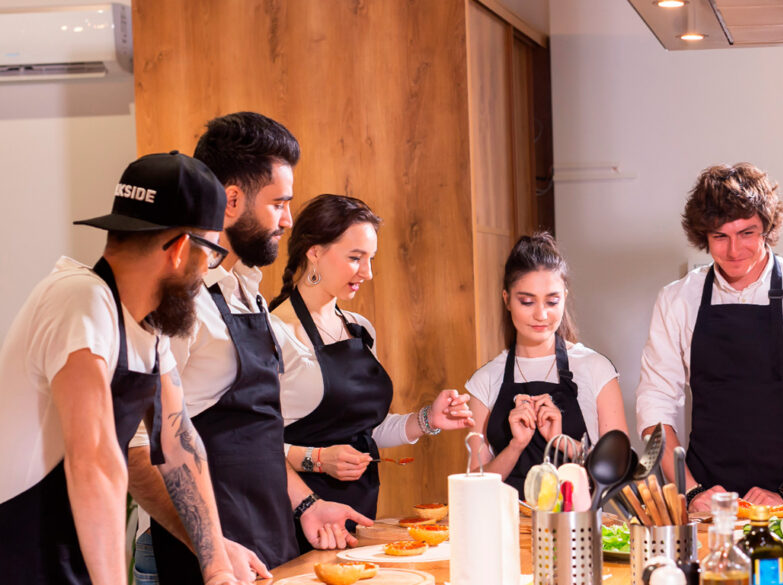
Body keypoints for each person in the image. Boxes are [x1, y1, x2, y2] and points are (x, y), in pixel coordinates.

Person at [126, 113, 369, 585]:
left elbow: (254, 433)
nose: (289, 219)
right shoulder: (183, 298)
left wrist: (306, 504)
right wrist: (212, 550)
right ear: (232, 200)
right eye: (279, 203)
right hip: (204, 560)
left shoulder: (247, 290)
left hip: (265, 543)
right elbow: (142, 449)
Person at [0, 152, 246, 585]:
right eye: (211, 254)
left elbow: (179, 443)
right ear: (183, 249)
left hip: (64, 552)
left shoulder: (146, 329)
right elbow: (93, 460)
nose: (208, 272)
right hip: (18, 554)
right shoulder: (80, 300)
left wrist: (218, 568)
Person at [635, 163, 783, 513]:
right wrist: (691, 492)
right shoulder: (677, 299)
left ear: (767, 229)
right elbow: (654, 406)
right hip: (707, 497)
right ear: (703, 236)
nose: (734, 250)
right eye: (720, 236)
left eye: (747, 233)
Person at [267, 194, 475, 550]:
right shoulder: (273, 333)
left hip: (356, 518)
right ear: (314, 251)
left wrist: (428, 419)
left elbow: (366, 432)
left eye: (370, 259)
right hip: (293, 518)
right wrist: (317, 460)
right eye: (355, 258)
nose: (368, 273)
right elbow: (251, 441)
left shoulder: (359, 329)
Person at [465, 232, 629, 497]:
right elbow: (473, 486)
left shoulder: (597, 370)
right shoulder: (484, 381)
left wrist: (562, 442)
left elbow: (618, 469)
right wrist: (515, 446)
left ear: (564, 296)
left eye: (552, 301)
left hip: (578, 529)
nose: (541, 314)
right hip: (508, 527)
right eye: (527, 301)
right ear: (506, 299)